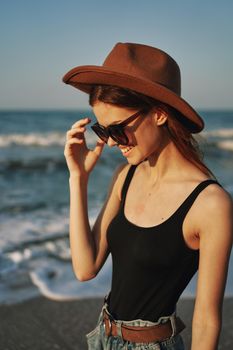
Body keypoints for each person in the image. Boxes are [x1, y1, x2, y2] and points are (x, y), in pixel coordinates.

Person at [62, 42, 233, 350]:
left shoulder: (210, 204)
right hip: (102, 337)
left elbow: (207, 320)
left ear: (159, 113)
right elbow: (85, 268)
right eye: (103, 132)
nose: (112, 143)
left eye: (118, 129)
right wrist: (78, 178)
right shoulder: (125, 177)